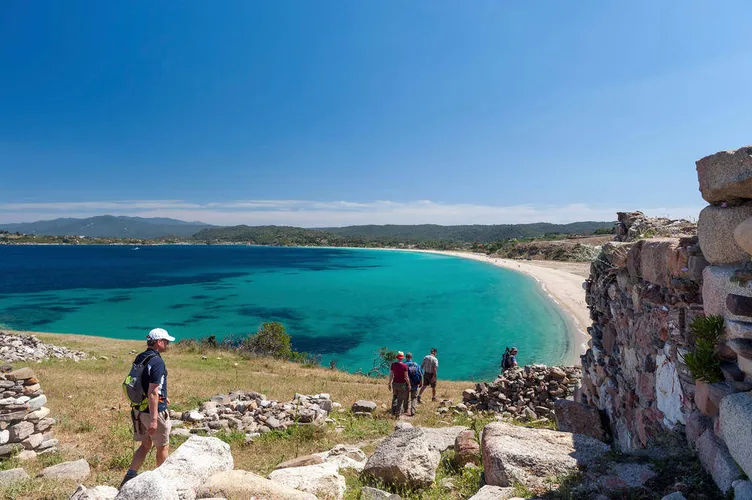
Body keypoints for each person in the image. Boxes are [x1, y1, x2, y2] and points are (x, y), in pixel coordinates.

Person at [121, 328, 175, 487]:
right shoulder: (157, 361)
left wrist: (163, 395)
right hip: (153, 412)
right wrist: (153, 420)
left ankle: (129, 477)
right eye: (166, 341)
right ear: (159, 342)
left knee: (145, 445)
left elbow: (141, 381)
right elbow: (152, 391)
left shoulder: (141, 357)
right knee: (162, 446)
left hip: (138, 409)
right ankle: (162, 483)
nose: (168, 344)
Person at [388, 351, 411, 417]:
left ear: (397, 357)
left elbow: (391, 375)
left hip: (394, 383)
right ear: (402, 358)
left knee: (395, 397)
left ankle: (393, 411)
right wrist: (409, 384)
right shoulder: (405, 366)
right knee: (400, 399)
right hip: (402, 384)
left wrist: (389, 383)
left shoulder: (393, 364)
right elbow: (406, 377)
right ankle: (397, 414)